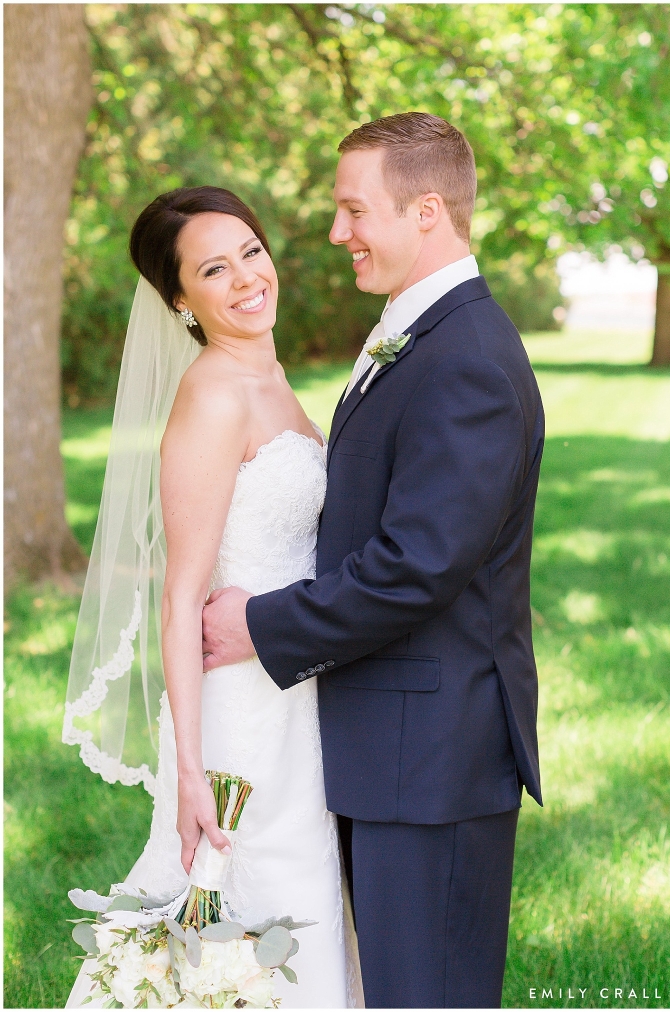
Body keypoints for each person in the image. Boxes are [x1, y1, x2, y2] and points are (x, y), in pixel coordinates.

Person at [201, 112, 545, 1009]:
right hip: (393, 746)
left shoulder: (464, 356)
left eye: (353, 211)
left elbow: (414, 566)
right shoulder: (418, 330)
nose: (333, 233)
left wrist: (258, 623)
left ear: (424, 211)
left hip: (431, 758)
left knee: (423, 993)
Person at [63, 186, 360, 1008]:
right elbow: (179, 599)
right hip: (240, 716)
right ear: (180, 301)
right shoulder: (212, 395)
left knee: (301, 902)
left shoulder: (268, 375)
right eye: (213, 270)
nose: (244, 279)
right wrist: (190, 776)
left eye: (250, 254)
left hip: (296, 690)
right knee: (247, 917)